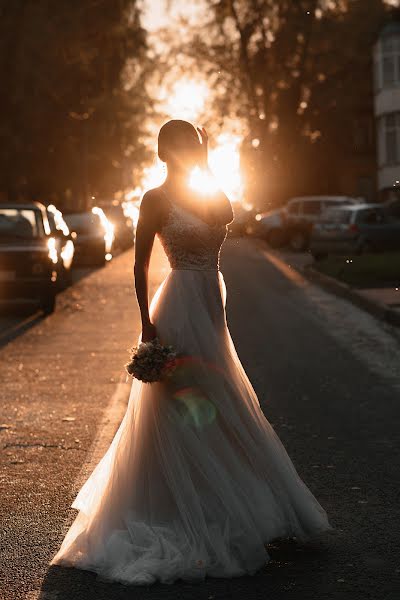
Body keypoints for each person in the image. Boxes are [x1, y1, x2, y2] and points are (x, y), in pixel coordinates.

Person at [49, 119, 334, 586]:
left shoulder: (208, 192)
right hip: (178, 306)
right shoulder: (154, 199)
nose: (188, 152)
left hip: (210, 306)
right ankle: (176, 505)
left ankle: (230, 502)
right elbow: (139, 264)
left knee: (223, 402)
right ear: (165, 151)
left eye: (194, 146)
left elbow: (227, 214)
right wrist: (145, 324)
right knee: (180, 405)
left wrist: (208, 161)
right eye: (181, 146)